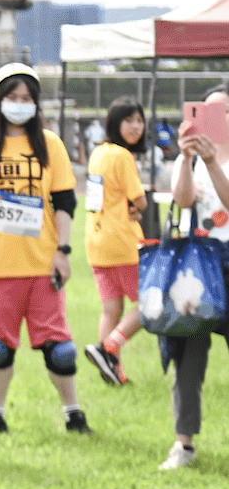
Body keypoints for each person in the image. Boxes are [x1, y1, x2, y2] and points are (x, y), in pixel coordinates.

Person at [0, 63, 88, 434]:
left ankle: (74, 414)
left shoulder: (50, 144)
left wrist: (64, 252)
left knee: (61, 350)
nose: (19, 104)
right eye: (12, 97)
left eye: (27, 99)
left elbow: (65, 202)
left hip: (43, 265)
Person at [159, 86, 229, 469]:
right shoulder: (192, 158)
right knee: (188, 354)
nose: (217, 121)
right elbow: (183, 201)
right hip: (198, 265)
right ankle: (183, 444)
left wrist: (214, 162)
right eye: (208, 113)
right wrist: (186, 159)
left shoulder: (217, 160)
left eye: (224, 112)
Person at [83, 96, 151, 385]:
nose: (136, 126)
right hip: (122, 241)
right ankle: (109, 347)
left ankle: (113, 372)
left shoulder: (99, 152)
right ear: (115, 123)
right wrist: (139, 207)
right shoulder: (123, 156)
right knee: (150, 303)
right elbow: (140, 200)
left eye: (139, 120)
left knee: (111, 309)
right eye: (129, 120)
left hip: (97, 240)